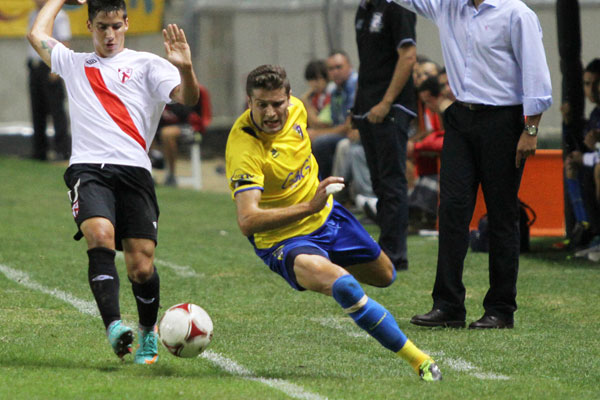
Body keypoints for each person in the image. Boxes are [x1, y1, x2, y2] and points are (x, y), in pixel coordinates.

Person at [225, 64, 442, 381]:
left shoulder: (298, 111)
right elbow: (247, 220)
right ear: (249, 103)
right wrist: (306, 206)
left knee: (385, 276)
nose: (271, 113)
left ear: (289, 98)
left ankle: (326, 266)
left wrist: (316, 199)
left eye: (277, 104)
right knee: (346, 286)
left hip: (328, 217)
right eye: (262, 105)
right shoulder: (244, 146)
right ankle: (420, 361)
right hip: (284, 241)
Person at [27, 0, 199, 362]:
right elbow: (36, 34)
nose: (109, 35)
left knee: (141, 266)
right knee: (100, 235)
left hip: (134, 171)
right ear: (89, 25)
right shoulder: (75, 63)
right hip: (88, 168)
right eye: (102, 26)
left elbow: (187, 100)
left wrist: (185, 69)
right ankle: (114, 327)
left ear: (127, 24)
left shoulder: (148, 64)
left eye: (116, 26)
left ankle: (148, 331)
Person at [391, 0, 552, 329]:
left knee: (501, 213)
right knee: (451, 208)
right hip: (462, 118)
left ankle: (501, 308)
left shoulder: (516, 14)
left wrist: (530, 130)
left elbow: (536, 73)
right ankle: (448, 305)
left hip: (504, 120)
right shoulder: (448, 7)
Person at [353, 0, 417, 271]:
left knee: (391, 182)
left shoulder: (397, 6)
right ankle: (384, 249)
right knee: (378, 182)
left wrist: (387, 102)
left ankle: (394, 254)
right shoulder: (364, 9)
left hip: (389, 106)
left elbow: (408, 55)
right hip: (367, 105)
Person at [27, 0, 71, 161]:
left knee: (56, 109)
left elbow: (64, 41)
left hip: (50, 66)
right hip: (35, 66)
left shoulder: (60, 16)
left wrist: (57, 69)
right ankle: (39, 150)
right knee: (37, 108)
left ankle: (62, 150)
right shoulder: (33, 14)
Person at [308, 50, 357, 179]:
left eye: (339, 67)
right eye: (330, 69)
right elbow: (334, 123)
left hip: (357, 136)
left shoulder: (355, 84)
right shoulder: (335, 90)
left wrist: (316, 133)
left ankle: (330, 188)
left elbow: (347, 126)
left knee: (321, 143)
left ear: (349, 66)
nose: (335, 72)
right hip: (343, 134)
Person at [156, 84, 212, 186]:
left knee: (167, 134)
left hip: (189, 128)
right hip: (163, 128)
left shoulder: (190, 90)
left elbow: (190, 114)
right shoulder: (161, 89)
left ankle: (171, 174)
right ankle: (153, 165)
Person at [300, 59, 332, 129]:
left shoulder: (331, 93)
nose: (314, 84)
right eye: (311, 80)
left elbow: (317, 125)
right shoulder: (314, 97)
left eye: (318, 79)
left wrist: (306, 102)